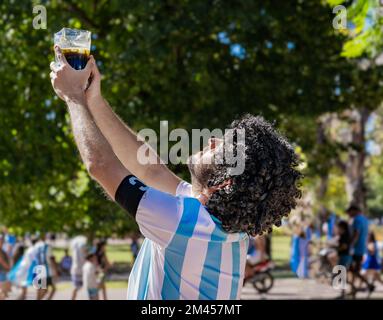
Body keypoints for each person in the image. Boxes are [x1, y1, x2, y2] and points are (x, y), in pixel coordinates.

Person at [49, 48, 302, 300]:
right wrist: (94, 100)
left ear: (224, 183)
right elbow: (150, 169)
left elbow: (101, 166)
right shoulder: (222, 226)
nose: (212, 140)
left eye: (221, 148)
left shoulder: (187, 222)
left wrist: (73, 97)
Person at [346, 205, 372, 296]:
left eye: (349, 212)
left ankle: (368, 285)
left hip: (356, 249)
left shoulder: (356, 220)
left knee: (352, 269)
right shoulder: (365, 220)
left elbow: (356, 233)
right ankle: (353, 289)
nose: (348, 214)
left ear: (354, 211)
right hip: (362, 248)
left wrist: (351, 245)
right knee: (354, 269)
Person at [34, 234, 60, 300]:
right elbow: (51, 259)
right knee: (51, 289)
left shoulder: (36, 246)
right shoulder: (47, 246)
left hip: (37, 268)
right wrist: (55, 270)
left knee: (40, 288)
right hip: (45, 270)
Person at [70, 236, 87, 300]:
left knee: (75, 287)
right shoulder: (83, 243)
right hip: (81, 269)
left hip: (76, 269)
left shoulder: (74, 244)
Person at [0, 234, 10, 299]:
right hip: (1, 271)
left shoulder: (2, 250)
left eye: (2, 241)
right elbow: (1, 260)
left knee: (3, 292)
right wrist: (7, 267)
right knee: (2, 291)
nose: (2, 242)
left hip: (3, 271)